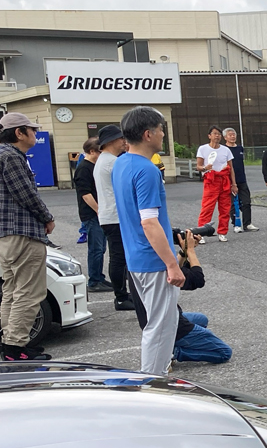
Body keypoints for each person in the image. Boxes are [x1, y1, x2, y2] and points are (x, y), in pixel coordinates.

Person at [112, 106, 185, 374]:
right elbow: (149, 221)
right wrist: (172, 264)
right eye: (160, 129)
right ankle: (152, 382)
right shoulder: (147, 170)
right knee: (161, 327)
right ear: (148, 134)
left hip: (136, 257)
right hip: (153, 260)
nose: (163, 134)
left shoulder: (121, 163)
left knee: (159, 323)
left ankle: (153, 378)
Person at [0, 113, 55, 361]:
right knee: (29, 292)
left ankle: (11, 344)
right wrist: (47, 218)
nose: (35, 133)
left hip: (3, 235)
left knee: (12, 290)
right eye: (31, 129)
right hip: (22, 233)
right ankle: (15, 348)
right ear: (19, 132)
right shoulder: (11, 156)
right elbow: (26, 194)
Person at [130, 227, 232, 366]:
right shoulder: (160, 264)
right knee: (224, 352)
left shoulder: (140, 261)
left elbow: (173, 272)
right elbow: (197, 280)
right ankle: (172, 352)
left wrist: (183, 252)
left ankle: (167, 345)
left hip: (149, 320)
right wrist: (190, 250)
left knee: (201, 319)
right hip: (170, 324)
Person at [93, 124, 135, 311]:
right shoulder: (113, 162)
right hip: (115, 216)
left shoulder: (104, 160)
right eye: (120, 139)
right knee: (119, 258)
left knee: (119, 257)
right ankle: (121, 297)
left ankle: (123, 294)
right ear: (110, 141)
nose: (124, 142)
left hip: (109, 215)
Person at [73, 138, 112, 292]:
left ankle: (99, 277)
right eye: (100, 152)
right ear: (91, 151)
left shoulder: (94, 166)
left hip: (98, 212)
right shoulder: (84, 168)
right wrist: (99, 210)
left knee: (101, 248)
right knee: (96, 248)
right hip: (92, 213)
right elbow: (86, 194)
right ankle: (94, 281)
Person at [195, 126, 235, 242]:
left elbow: (231, 168)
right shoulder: (203, 149)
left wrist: (234, 184)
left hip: (224, 180)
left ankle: (222, 232)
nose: (217, 136)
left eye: (219, 134)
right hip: (211, 180)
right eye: (215, 133)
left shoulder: (226, 150)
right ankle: (201, 233)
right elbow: (198, 166)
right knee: (207, 208)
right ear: (209, 136)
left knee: (225, 208)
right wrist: (205, 168)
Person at [224, 128, 259, 233]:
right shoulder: (224, 149)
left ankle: (247, 223)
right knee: (233, 204)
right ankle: (236, 224)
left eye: (234, 134)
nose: (232, 136)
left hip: (242, 179)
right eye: (230, 135)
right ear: (225, 137)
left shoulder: (240, 148)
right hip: (229, 180)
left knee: (246, 202)